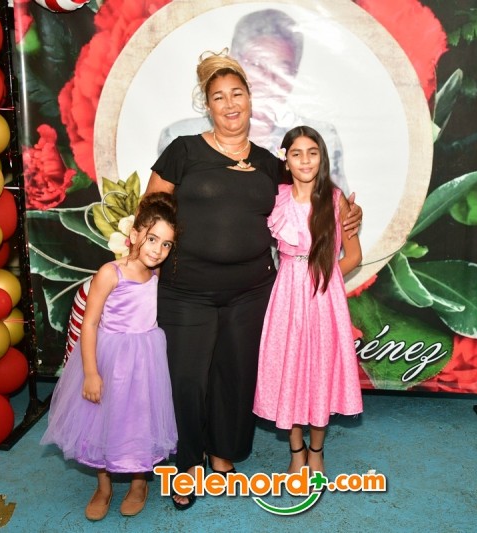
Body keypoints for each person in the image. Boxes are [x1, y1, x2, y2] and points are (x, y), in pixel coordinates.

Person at [145, 50, 362, 510]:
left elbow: (310, 189)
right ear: (207, 105)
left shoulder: (268, 163)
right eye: (218, 97)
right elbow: (152, 211)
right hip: (187, 290)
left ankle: (223, 453)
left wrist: (350, 213)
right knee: (187, 379)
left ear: (249, 99)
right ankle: (187, 464)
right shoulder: (183, 151)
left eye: (237, 94)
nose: (230, 104)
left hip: (253, 292)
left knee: (236, 375)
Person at [40, 193, 179, 521]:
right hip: (109, 358)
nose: (157, 250)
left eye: (166, 244)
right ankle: (103, 486)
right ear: (134, 234)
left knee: (139, 418)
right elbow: (89, 323)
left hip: (145, 360)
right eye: (152, 239)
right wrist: (91, 373)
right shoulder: (110, 272)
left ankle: (139, 482)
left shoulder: (156, 273)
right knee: (102, 420)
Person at [253, 126, 363, 474]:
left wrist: (324, 278)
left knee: (319, 370)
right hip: (286, 296)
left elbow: (354, 256)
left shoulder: (335, 199)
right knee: (290, 369)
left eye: (312, 153)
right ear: (285, 160)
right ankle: (296, 449)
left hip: (323, 299)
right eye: (296, 153)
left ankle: (317, 450)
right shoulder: (276, 198)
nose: (305, 160)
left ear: (322, 158)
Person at [157, 8, 349, 194]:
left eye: (282, 70)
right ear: (234, 65)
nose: (269, 80)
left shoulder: (319, 139)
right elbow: (158, 207)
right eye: (257, 65)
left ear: (294, 75)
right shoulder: (180, 140)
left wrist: (347, 210)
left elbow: (335, 207)